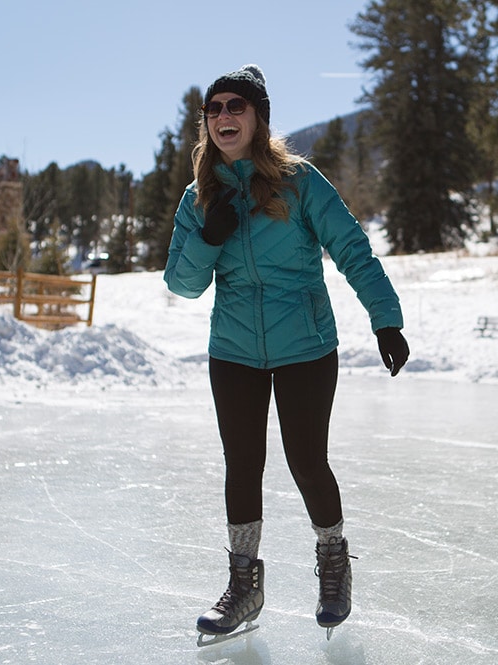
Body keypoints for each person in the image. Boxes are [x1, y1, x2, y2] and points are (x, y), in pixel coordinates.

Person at [162, 64, 409, 642]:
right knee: (242, 467)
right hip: (234, 351)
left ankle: (333, 563)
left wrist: (386, 319)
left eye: (236, 107)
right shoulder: (199, 196)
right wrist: (209, 237)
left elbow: (352, 247)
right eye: (215, 108)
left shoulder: (299, 182)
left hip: (305, 346)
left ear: (258, 118)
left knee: (306, 460)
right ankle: (244, 587)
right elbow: (181, 284)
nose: (224, 117)